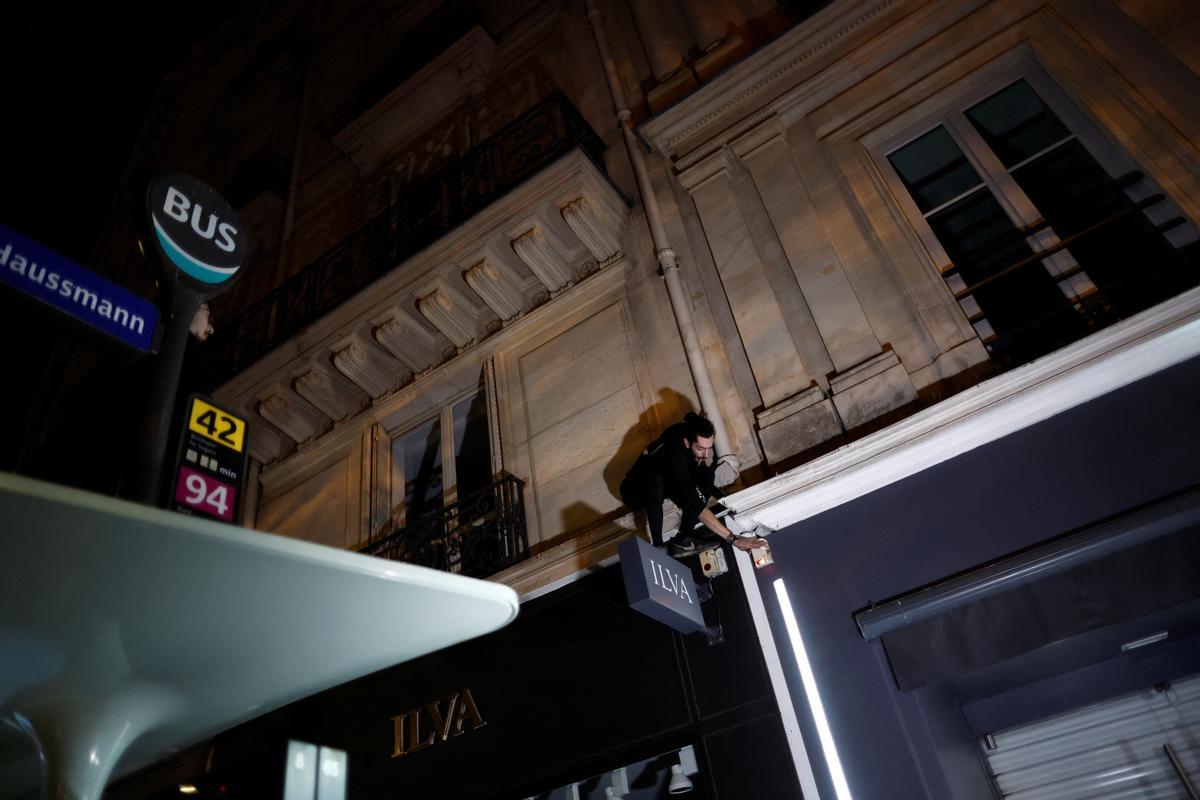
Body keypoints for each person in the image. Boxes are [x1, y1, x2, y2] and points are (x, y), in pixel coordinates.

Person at [620, 412, 766, 558]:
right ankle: (658, 545)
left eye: (709, 448)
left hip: (668, 480)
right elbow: (693, 504)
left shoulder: (690, 436)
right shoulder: (676, 453)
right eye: (701, 449)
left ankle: (682, 539)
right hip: (635, 490)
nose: (706, 455)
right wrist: (733, 540)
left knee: (708, 475)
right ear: (687, 442)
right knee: (656, 480)